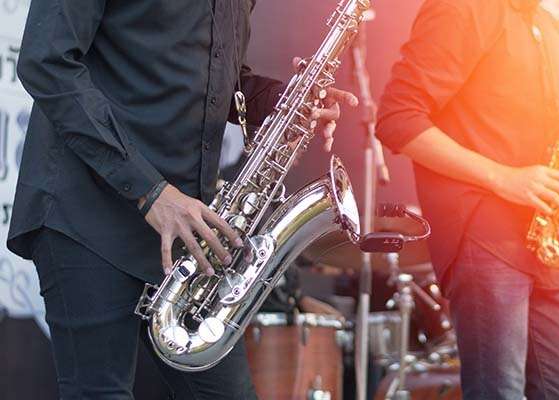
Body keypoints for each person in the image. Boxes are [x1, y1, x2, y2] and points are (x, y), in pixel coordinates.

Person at [8, 0, 356, 398]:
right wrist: (150, 192)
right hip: (86, 213)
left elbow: (212, 74)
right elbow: (46, 62)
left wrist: (282, 100)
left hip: (184, 235)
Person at [376, 0, 559, 398]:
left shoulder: (547, 26)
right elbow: (397, 117)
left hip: (544, 240)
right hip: (486, 237)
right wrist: (504, 178)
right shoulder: (463, 8)